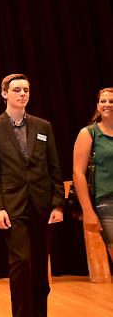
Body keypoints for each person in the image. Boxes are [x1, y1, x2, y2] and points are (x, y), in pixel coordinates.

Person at [0, 73, 64, 317]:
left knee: (39, 266)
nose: (22, 94)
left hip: (42, 206)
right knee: (22, 263)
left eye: (26, 90)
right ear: (4, 93)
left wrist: (58, 204)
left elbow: (54, 167)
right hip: (12, 207)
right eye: (17, 90)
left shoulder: (42, 126)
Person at [72, 87, 113, 261]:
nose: (107, 104)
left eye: (111, 101)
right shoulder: (89, 133)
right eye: (103, 101)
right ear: (97, 106)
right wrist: (88, 211)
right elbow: (78, 173)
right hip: (106, 203)